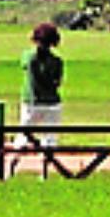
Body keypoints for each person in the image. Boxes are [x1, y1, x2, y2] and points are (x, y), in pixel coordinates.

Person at [15, 22, 63, 150]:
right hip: (52, 102)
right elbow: (57, 82)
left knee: (22, 137)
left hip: (31, 101)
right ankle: (47, 163)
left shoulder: (29, 57)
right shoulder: (57, 61)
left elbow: (24, 64)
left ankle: (14, 164)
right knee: (50, 140)